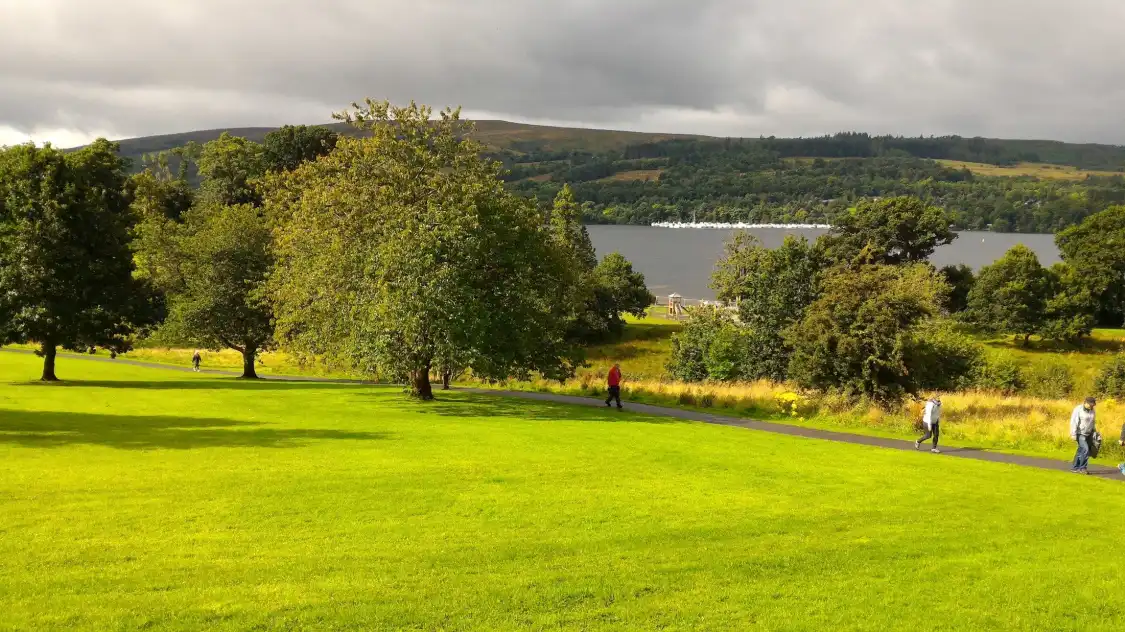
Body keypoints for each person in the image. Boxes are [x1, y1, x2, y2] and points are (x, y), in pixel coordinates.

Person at [1069, 396, 1097, 475]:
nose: (1092, 406)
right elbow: (1073, 422)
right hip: (1080, 433)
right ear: (1086, 403)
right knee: (1085, 449)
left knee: (1081, 450)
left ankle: (1075, 467)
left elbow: (1092, 421)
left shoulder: (1092, 410)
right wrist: (1073, 434)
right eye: (1091, 404)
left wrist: (1094, 431)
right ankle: (1082, 468)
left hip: (1088, 433)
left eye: (1093, 404)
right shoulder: (1078, 409)